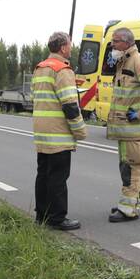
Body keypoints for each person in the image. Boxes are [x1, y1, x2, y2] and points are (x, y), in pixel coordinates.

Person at [32, 31, 87, 230]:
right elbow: (70, 105)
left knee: (43, 175)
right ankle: (57, 218)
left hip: (42, 132)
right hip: (58, 134)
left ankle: (41, 215)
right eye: (70, 45)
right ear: (63, 47)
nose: (71, 48)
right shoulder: (62, 70)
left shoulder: (40, 68)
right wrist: (80, 131)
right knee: (58, 177)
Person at [105, 27, 140, 222]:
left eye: (116, 41)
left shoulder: (139, 61)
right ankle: (136, 202)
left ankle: (128, 209)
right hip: (125, 130)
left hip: (134, 128)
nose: (113, 45)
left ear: (127, 42)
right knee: (129, 166)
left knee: (132, 168)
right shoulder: (124, 61)